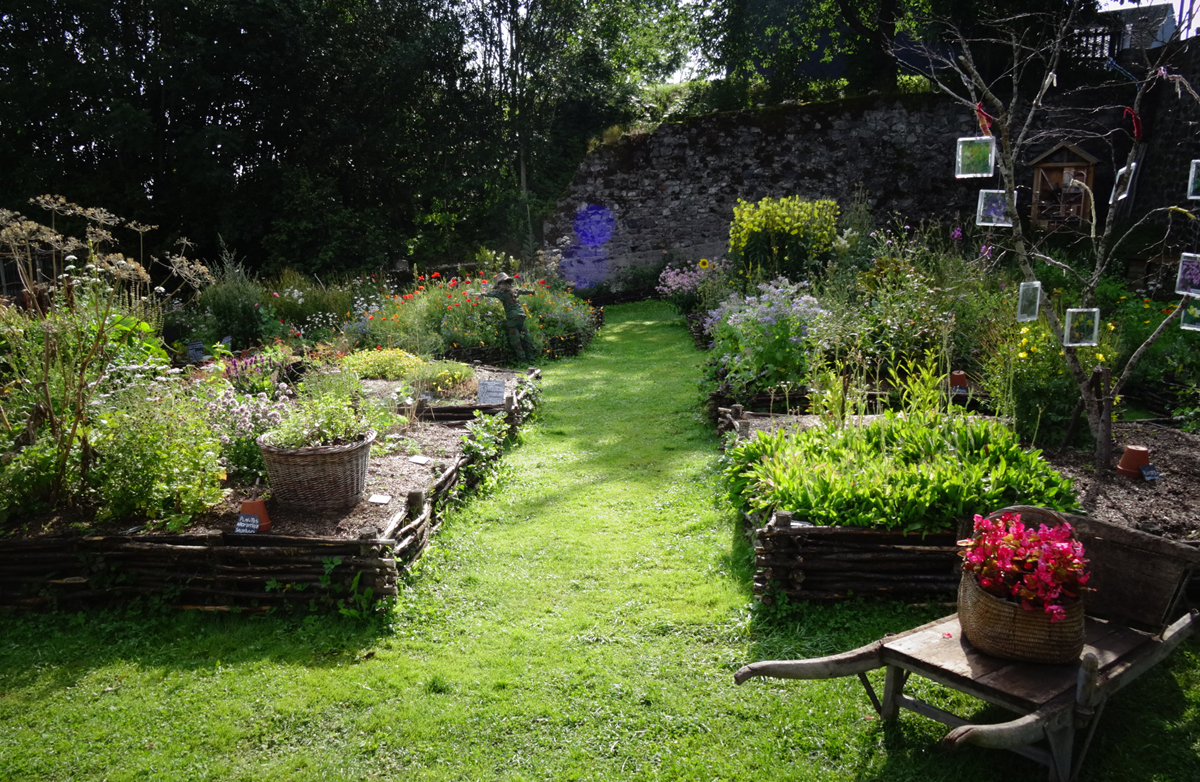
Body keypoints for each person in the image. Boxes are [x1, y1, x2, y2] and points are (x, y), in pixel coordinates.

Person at [484, 272, 537, 364]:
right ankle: (531, 359)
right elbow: (526, 291)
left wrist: (480, 294)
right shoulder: (515, 290)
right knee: (526, 338)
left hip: (512, 319)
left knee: (515, 341)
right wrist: (532, 291)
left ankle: (523, 361)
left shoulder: (502, 293)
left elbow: (490, 294)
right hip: (521, 316)